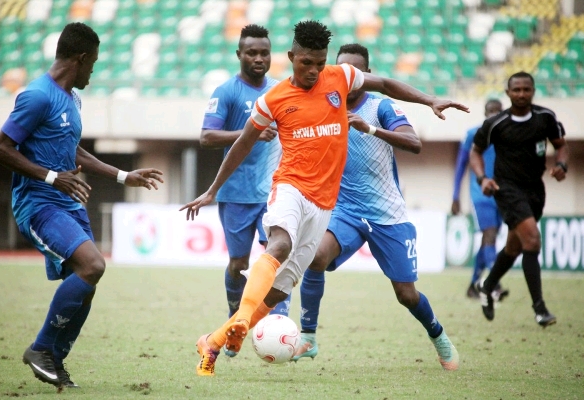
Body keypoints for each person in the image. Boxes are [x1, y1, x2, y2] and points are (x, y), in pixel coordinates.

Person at [180, 20, 468, 376]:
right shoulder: (274, 99)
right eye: (306, 63)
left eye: (320, 62)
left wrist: (429, 100)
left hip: (324, 205)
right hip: (290, 187)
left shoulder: (340, 77)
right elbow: (242, 144)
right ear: (291, 57)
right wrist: (212, 190)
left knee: (280, 290)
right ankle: (245, 320)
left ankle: (213, 341)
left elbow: (386, 84)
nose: (314, 70)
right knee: (280, 244)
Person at [0, 22, 164, 389]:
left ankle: (53, 358)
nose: (93, 72)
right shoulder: (37, 96)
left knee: (88, 278)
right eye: (93, 64)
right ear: (80, 59)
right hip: (38, 204)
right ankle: (40, 349)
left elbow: (73, 149)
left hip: (68, 204)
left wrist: (123, 175)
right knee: (93, 265)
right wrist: (52, 177)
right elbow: (0, 148)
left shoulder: (72, 99)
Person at [290, 43, 459, 371]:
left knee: (406, 295)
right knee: (316, 256)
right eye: (340, 69)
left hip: (387, 215)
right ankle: (308, 337)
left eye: (355, 71)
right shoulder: (325, 104)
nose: (347, 76)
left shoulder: (381, 106)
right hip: (346, 210)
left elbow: (414, 144)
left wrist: (369, 128)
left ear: (366, 74)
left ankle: (438, 335)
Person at [199, 25, 291, 355]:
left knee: (276, 257)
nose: (258, 58)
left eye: (264, 53)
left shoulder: (280, 91)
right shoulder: (226, 92)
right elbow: (207, 137)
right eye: (251, 53)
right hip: (236, 193)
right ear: (239, 54)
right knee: (239, 263)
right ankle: (233, 318)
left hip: (274, 193)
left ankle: (279, 323)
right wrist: (250, 132)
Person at [471, 71, 568, 327]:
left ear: (533, 91)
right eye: (516, 90)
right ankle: (540, 309)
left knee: (514, 247)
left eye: (526, 89)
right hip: (506, 189)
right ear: (508, 93)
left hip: (535, 189)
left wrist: (562, 165)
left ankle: (487, 286)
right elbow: (475, 152)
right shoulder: (497, 123)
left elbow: (561, 145)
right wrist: (482, 179)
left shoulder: (545, 118)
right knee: (532, 240)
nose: (521, 94)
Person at [451, 99, 510, 301]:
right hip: (480, 193)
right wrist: (455, 196)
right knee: (490, 235)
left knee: (488, 239)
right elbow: (461, 166)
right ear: (485, 113)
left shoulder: (507, 136)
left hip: (501, 194)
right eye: (490, 111)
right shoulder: (472, 134)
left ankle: (473, 285)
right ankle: (494, 284)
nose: (493, 114)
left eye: (497, 111)